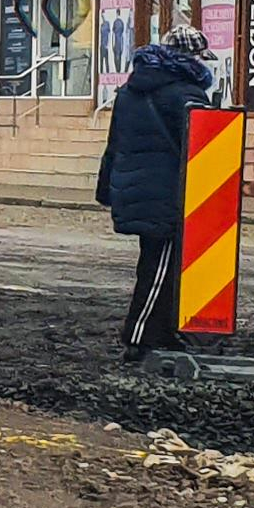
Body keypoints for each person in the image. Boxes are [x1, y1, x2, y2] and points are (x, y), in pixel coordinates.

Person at [97, 25, 215, 360]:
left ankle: (162, 332)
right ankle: (138, 336)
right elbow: (201, 147)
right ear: (190, 59)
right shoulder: (186, 94)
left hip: (137, 185)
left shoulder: (131, 89)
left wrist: (107, 189)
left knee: (159, 262)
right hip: (168, 190)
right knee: (160, 265)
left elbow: (115, 143)